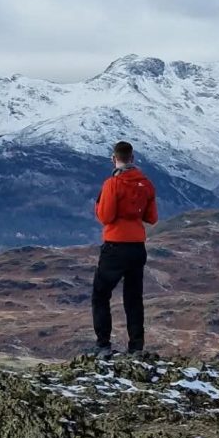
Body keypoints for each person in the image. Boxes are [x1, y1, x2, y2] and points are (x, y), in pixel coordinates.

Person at [90, 140, 158, 358]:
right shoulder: (146, 184)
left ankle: (103, 346)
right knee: (133, 297)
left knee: (100, 295)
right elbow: (152, 217)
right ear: (133, 158)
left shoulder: (112, 184)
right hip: (137, 247)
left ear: (114, 159)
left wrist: (98, 205)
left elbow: (105, 217)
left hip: (115, 247)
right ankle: (136, 347)